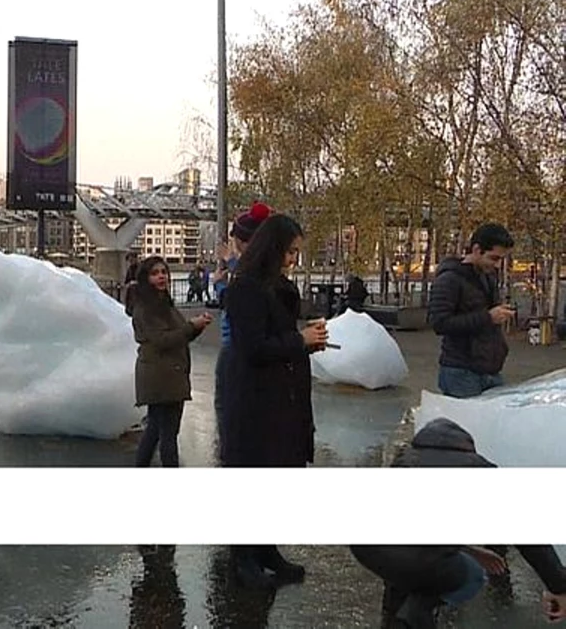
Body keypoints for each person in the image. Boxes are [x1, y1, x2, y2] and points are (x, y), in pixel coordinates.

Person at [350, 417, 566, 628]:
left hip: (367, 547)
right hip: (414, 553)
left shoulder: (404, 461)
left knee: (402, 571)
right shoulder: (478, 468)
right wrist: (558, 585)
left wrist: (471, 550)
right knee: (471, 576)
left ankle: (397, 620)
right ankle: (417, 610)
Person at [222, 214, 328, 588]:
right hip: (256, 401)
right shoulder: (246, 288)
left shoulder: (277, 287)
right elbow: (253, 347)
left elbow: (278, 342)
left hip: (284, 398)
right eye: (290, 252)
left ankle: (267, 549)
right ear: (273, 248)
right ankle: (243, 558)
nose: (292, 260)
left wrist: (306, 343)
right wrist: (299, 341)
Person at [127, 256, 212, 468]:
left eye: (164, 272)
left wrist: (197, 327)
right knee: (168, 434)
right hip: (162, 376)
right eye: (155, 273)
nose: (161, 277)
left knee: (156, 429)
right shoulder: (146, 308)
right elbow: (162, 340)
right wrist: (192, 326)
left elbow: (178, 336)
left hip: (168, 374)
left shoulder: (162, 303)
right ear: (146, 278)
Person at [212, 202, 272, 464]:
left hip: (235, 346)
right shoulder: (258, 268)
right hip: (239, 345)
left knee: (230, 412)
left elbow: (239, 303)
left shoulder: (246, 269)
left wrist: (222, 282)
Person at [428, 223, 516, 398]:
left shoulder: (487, 276)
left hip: (489, 369)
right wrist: (488, 317)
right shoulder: (449, 279)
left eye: (501, 259)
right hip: (461, 371)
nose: (497, 265)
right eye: (494, 258)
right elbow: (439, 323)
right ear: (477, 250)